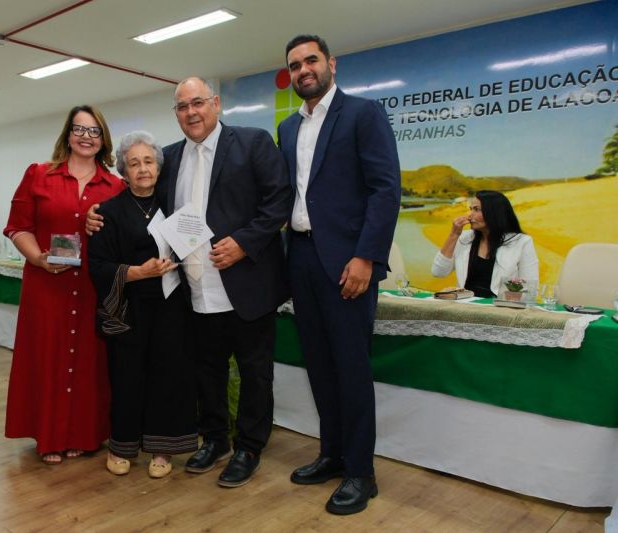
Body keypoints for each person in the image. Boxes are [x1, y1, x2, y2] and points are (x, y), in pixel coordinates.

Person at [88, 77, 291, 487]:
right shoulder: (171, 157)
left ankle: (249, 447)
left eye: (197, 103)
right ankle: (215, 439)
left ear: (215, 103)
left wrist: (245, 243)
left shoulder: (251, 142)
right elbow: (141, 197)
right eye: (182, 106)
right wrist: (96, 212)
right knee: (207, 371)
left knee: (254, 373)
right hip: (194, 291)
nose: (191, 112)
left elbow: (279, 200)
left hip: (246, 284)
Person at [277, 35, 401, 515]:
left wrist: (367, 256)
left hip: (348, 262)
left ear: (331, 63)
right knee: (320, 366)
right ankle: (332, 454)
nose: (303, 69)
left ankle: (361, 472)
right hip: (302, 258)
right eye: (294, 65)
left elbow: (385, 190)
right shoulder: (288, 127)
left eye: (311, 60)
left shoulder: (363, 114)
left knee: (351, 369)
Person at [3, 105, 125, 465]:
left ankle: (83, 436)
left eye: (94, 131)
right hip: (46, 286)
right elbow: (18, 227)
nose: (86, 137)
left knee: (89, 363)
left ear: (103, 139)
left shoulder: (116, 186)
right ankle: (50, 437)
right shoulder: (38, 174)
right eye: (79, 129)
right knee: (47, 360)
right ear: (68, 134)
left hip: (92, 289)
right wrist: (38, 257)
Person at [88, 131, 197, 478]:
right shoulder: (107, 212)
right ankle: (121, 445)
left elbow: (193, 251)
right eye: (134, 163)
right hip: (129, 308)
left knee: (168, 376)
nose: (143, 169)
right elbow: (97, 266)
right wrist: (138, 272)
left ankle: (162, 450)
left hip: (172, 306)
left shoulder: (176, 206)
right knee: (127, 377)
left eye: (148, 161)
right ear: (124, 171)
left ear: (159, 167)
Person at [431, 190, 539, 297]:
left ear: (494, 213)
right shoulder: (464, 238)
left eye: (476, 209)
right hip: (465, 304)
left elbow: (530, 289)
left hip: (499, 306)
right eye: (471, 209)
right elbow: (438, 272)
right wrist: (453, 235)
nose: (469, 215)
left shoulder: (521, 242)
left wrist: (501, 298)